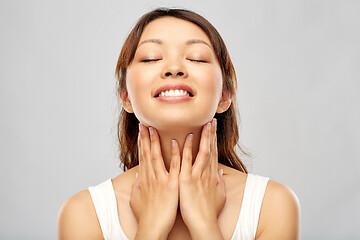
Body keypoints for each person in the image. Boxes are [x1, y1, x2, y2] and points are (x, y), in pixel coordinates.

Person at [57, 7, 300, 240]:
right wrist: (151, 227)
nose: (174, 68)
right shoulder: (84, 214)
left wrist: (204, 222)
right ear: (125, 96)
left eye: (197, 58)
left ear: (225, 94)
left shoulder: (273, 205)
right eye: (151, 59)